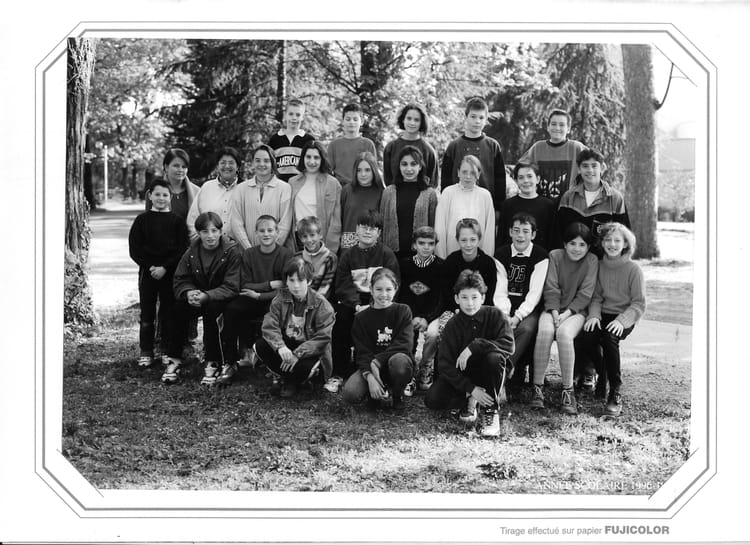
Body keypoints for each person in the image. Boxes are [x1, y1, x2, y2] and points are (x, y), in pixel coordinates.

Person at [424, 270, 514, 438]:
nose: (470, 303)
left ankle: (490, 409)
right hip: (465, 375)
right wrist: (470, 388)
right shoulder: (452, 325)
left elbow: (508, 345)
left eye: (474, 297)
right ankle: (471, 397)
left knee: (494, 358)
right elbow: (444, 364)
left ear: (483, 298)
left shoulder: (495, 315)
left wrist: (475, 346)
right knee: (432, 399)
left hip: (490, 370)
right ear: (456, 299)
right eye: (464, 297)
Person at [161, 212, 241, 385]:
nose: (210, 236)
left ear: (221, 231)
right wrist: (188, 292)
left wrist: (208, 296)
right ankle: (174, 358)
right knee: (178, 310)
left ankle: (213, 360)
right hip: (198, 295)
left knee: (212, 312)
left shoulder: (231, 252)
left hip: (221, 297)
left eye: (214, 231)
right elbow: (180, 278)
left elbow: (232, 286)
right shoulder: (192, 251)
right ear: (198, 233)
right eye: (205, 231)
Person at [530, 222, 598, 414]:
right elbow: (551, 287)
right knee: (545, 331)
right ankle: (537, 388)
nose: (577, 248)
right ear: (565, 244)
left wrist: (566, 314)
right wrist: (554, 313)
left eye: (582, 244)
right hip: (552, 309)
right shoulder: (555, 256)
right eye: (572, 243)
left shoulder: (592, 260)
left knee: (564, 334)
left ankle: (568, 391)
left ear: (588, 247)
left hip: (577, 312)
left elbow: (586, 293)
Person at [329, 209, 400, 393]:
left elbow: (394, 283)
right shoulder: (348, 255)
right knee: (341, 320)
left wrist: (374, 306)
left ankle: (380, 369)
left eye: (373, 228)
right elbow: (343, 285)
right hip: (355, 302)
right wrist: (357, 305)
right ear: (357, 230)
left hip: (380, 302)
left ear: (379, 232)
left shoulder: (386, 255)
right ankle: (339, 372)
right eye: (364, 227)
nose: (368, 231)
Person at [218, 215, 293, 385]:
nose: (266, 234)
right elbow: (245, 284)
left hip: (275, 300)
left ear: (277, 232)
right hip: (250, 298)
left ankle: (276, 364)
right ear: (256, 233)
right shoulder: (249, 254)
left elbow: (286, 288)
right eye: (262, 231)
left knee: (275, 314)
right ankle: (230, 361)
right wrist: (269, 284)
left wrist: (260, 294)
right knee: (232, 310)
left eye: (270, 230)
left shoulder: (285, 254)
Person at [580, 222, 645, 416]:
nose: (612, 244)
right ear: (602, 243)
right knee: (587, 335)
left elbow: (639, 303)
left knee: (609, 338)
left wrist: (622, 321)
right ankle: (603, 374)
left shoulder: (634, 269)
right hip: (603, 313)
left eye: (617, 240)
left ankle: (615, 391)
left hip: (625, 315)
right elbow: (596, 297)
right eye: (608, 240)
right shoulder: (599, 266)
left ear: (625, 244)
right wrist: (594, 315)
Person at [128, 178, 190, 367]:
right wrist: (150, 267)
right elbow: (135, 249)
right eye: (157, 194)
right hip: (147, 274)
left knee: (168, 313)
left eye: (165, 195)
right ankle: (146, 351)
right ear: (150, 196)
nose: (161, 198)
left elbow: (182, 249)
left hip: (169, 273)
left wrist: (165, 267)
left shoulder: (177, 222)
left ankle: (166, 349)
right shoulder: (141, 220)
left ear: (170, 197)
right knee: (147, 314)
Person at [255, 256, 336, 398]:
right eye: (291, 280)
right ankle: (285, 376)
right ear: (286, 281)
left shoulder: (322, 305)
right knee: (260, 345)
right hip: (288, 343)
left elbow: (322, 338)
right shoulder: (280, 298)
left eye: (301, 280)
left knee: (305, 368)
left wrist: (298, 354)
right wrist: (280, 347)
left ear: (309, 281)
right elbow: (269, 325)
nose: (296, 285)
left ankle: (292, 380)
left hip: (309, 349)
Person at [342, 267, 414, 411]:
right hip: (371, 365)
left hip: (395, 363)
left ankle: (397, 394)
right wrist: (370, 376)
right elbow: (362, 351)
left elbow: (404, 344)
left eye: (388, 289)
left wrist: (378, 361)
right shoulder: (361, 318)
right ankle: (375, 392)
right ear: (371, 289)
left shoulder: (403, 311)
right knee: (350, 393)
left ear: (396, 289)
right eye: (379, 289)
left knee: (400, 362)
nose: (384, 294)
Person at [494, 213, 549, 397]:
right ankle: (504, 371)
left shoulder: (540, 256)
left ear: (533, 234)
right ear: (510, 232)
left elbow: (535, 293)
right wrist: (505, 314)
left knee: (526, 329)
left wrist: (518, 316)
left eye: (526, 231)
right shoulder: (501, 254)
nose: (520, 235)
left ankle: (502, 371)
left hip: (528, 309)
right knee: (498, 328)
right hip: (504, 308)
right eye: (516, 230)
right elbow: (500, 289)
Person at [440, 96, 506, 222]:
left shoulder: (493, 146)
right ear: (466, 117)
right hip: (457, 206)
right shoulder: (454, 146)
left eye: (481, 118)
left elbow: (500, 179)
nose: (477, 121)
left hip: (485, 206)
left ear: (486, 120)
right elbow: (445, 179)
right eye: (473, 116)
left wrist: (498, 207)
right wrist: (446, 204)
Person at [397, 226, 445, 392]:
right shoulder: (405, 264)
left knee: (433, 334)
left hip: (432, 314)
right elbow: (403, 293)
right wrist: (412, 316)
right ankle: (408, 373)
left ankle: (426, 367)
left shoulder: (441, 266)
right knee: (406, 333)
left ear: (435, 245)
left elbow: (440, 298)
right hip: (410, 313)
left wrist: (427, 318)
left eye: (430, 243)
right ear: (414, 245)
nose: (426, 247)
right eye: (421, 243)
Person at [557, 148, 630, 256]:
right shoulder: (568, 197)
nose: (590, 170)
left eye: (594, 166)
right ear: (579, 169)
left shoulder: (615, 199)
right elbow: (558, 234)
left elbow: (624, 235)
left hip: (603, 262)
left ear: (602, 168)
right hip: (573, 260)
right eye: (585, 166)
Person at [379, 145, 438, 259]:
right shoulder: (388, 192)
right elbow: (381, 225)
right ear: (399, 166)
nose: (409, 169)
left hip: (420, 256)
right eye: (404, 164)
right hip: (392, 255)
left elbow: (433, 227)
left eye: (413, 164)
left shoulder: (429, 194)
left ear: (420, 166)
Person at [229, 144, 293, 250]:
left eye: (266, 161)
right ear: (253, 163)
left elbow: (285, 224)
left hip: (275, 253)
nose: (261, 164)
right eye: (257, 160)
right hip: (246, 252)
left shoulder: (284, 188)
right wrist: (249, 250)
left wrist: (270, 250)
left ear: (272, 163)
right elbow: (236, 223)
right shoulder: (241, 189)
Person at [518, 108, 587, 202]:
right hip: (541, 205)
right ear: (548, 127)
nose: (557, 128)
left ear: (568, 129)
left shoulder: (576, 148)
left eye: (562, 125)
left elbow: (598, 166)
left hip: (569, 205)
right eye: (553, 124)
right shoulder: (537, 148)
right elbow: (520, 169)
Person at [434, 155, 495, 258]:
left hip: (478, 256)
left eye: (472, 172)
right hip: (451, 254)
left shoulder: (485, 196)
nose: (468, 176)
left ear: (479, 174)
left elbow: (489, 231)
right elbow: (440, 228)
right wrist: (441, 258)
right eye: (464, 172)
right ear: (458, 172)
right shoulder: (448, 193)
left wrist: (486, 258)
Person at [289, 141, 342, 253]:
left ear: (322, 159)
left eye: (316, 158)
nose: (312, 161)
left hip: (320, 240)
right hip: (298, 240)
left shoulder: (332, 183)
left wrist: (330, 250)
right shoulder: (293, 182)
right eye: (308, 157)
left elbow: (336, 221)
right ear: (303, 158)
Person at [186, 146, 243, 241]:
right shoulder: (207, 188)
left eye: (231, 163)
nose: (227, 166)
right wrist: (203, 243)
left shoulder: (245, 189)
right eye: (223, 163)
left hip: (238, 247)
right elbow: (192, 221)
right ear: (217, 166)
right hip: (208, 246)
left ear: (237, 167)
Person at [498, 162, 557, 250]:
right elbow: (501, 237)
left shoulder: (548, 206)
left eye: (529, 176)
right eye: (521, 177)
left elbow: (553, 239)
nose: (525, 181)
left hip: (541, 256)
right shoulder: (507, 205)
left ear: (537, 179)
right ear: (516, 181)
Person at [382, 103, 439, 187]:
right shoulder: (390, 148)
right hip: (395, 194)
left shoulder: (428, 151)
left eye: (416, 120)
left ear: (421, 123)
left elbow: (433, 183)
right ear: (403, 119)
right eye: (409, 118)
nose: (412, 123)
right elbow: (388, 179)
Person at [339, 152, 385, 250]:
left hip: (371, 244)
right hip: (348, 243)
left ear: (374, 170)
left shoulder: (381, 192)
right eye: (359, 170)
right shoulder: (347, 190)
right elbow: (340, 219)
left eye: (367, 170)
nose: (363, 174)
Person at [326, 103, 377, 186]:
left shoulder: (368, 144)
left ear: (362, 121)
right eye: (348, 119)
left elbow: (373, 171)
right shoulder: (334, 145)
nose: (351, 122)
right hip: (339, 187)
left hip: (362, 187)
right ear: (343, 121)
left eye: (355, 119)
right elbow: (327, 171)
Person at [268, 98, 316, 182]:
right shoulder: (275, 139)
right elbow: (269, 164)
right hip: (279, 185)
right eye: (291, 114)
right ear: (285, 115)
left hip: (301, 185)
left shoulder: (309, 140)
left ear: (302, 117)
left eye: (298, 115)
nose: (294, 118)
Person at [146, 148, 200, 221]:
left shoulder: (197, 192)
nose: (180, 170)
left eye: (184, 167)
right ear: (166, 167)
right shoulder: (153, 193)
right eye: (176, 166)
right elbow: (148, 223)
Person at [294, 216, 337, 300]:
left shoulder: (330, 258)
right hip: (299, 299)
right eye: (304, 236)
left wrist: (311, 302)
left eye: (312, 235)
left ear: (320, 235)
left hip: (321, 301)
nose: (309, 240)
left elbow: (325, 288)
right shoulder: (297, 257)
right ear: (300, 238)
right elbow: (295, 284)